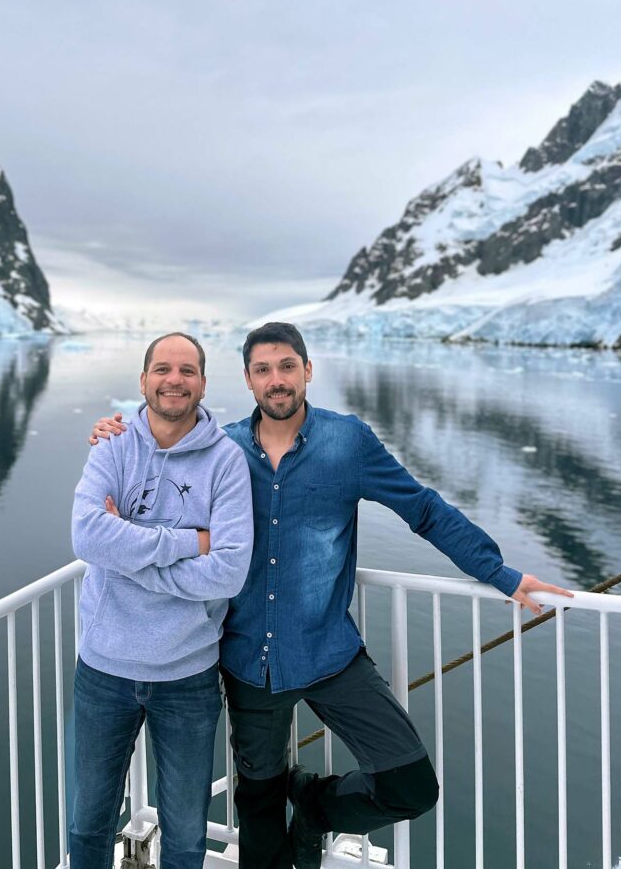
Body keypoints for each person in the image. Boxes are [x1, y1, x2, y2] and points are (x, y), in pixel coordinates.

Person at [90, 322, 571, 869]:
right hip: (249, 663)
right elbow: (162, 461)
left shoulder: (349, 442)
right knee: (261, 824)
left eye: (287, 366)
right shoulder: (222, 452)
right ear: (248, 380)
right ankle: (287, 814)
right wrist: (119, 431)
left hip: (329, 652)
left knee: (410, 786)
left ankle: (316, 806)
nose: (277, 381)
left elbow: (425, 509)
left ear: (307, 370)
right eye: (264, 370)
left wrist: (501, 573)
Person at [70, 332, 253, 869]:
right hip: (103, 669)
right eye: (163, 369)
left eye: (187, 370)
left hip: (188, 675)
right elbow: (86, 537)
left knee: (187, 836)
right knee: (88, 827)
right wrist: (188, 542)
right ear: (144, 379)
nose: (174, 380)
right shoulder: (113, 445)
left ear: (202, 383)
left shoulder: (226, 462)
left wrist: (126, 552)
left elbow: (228, 573)